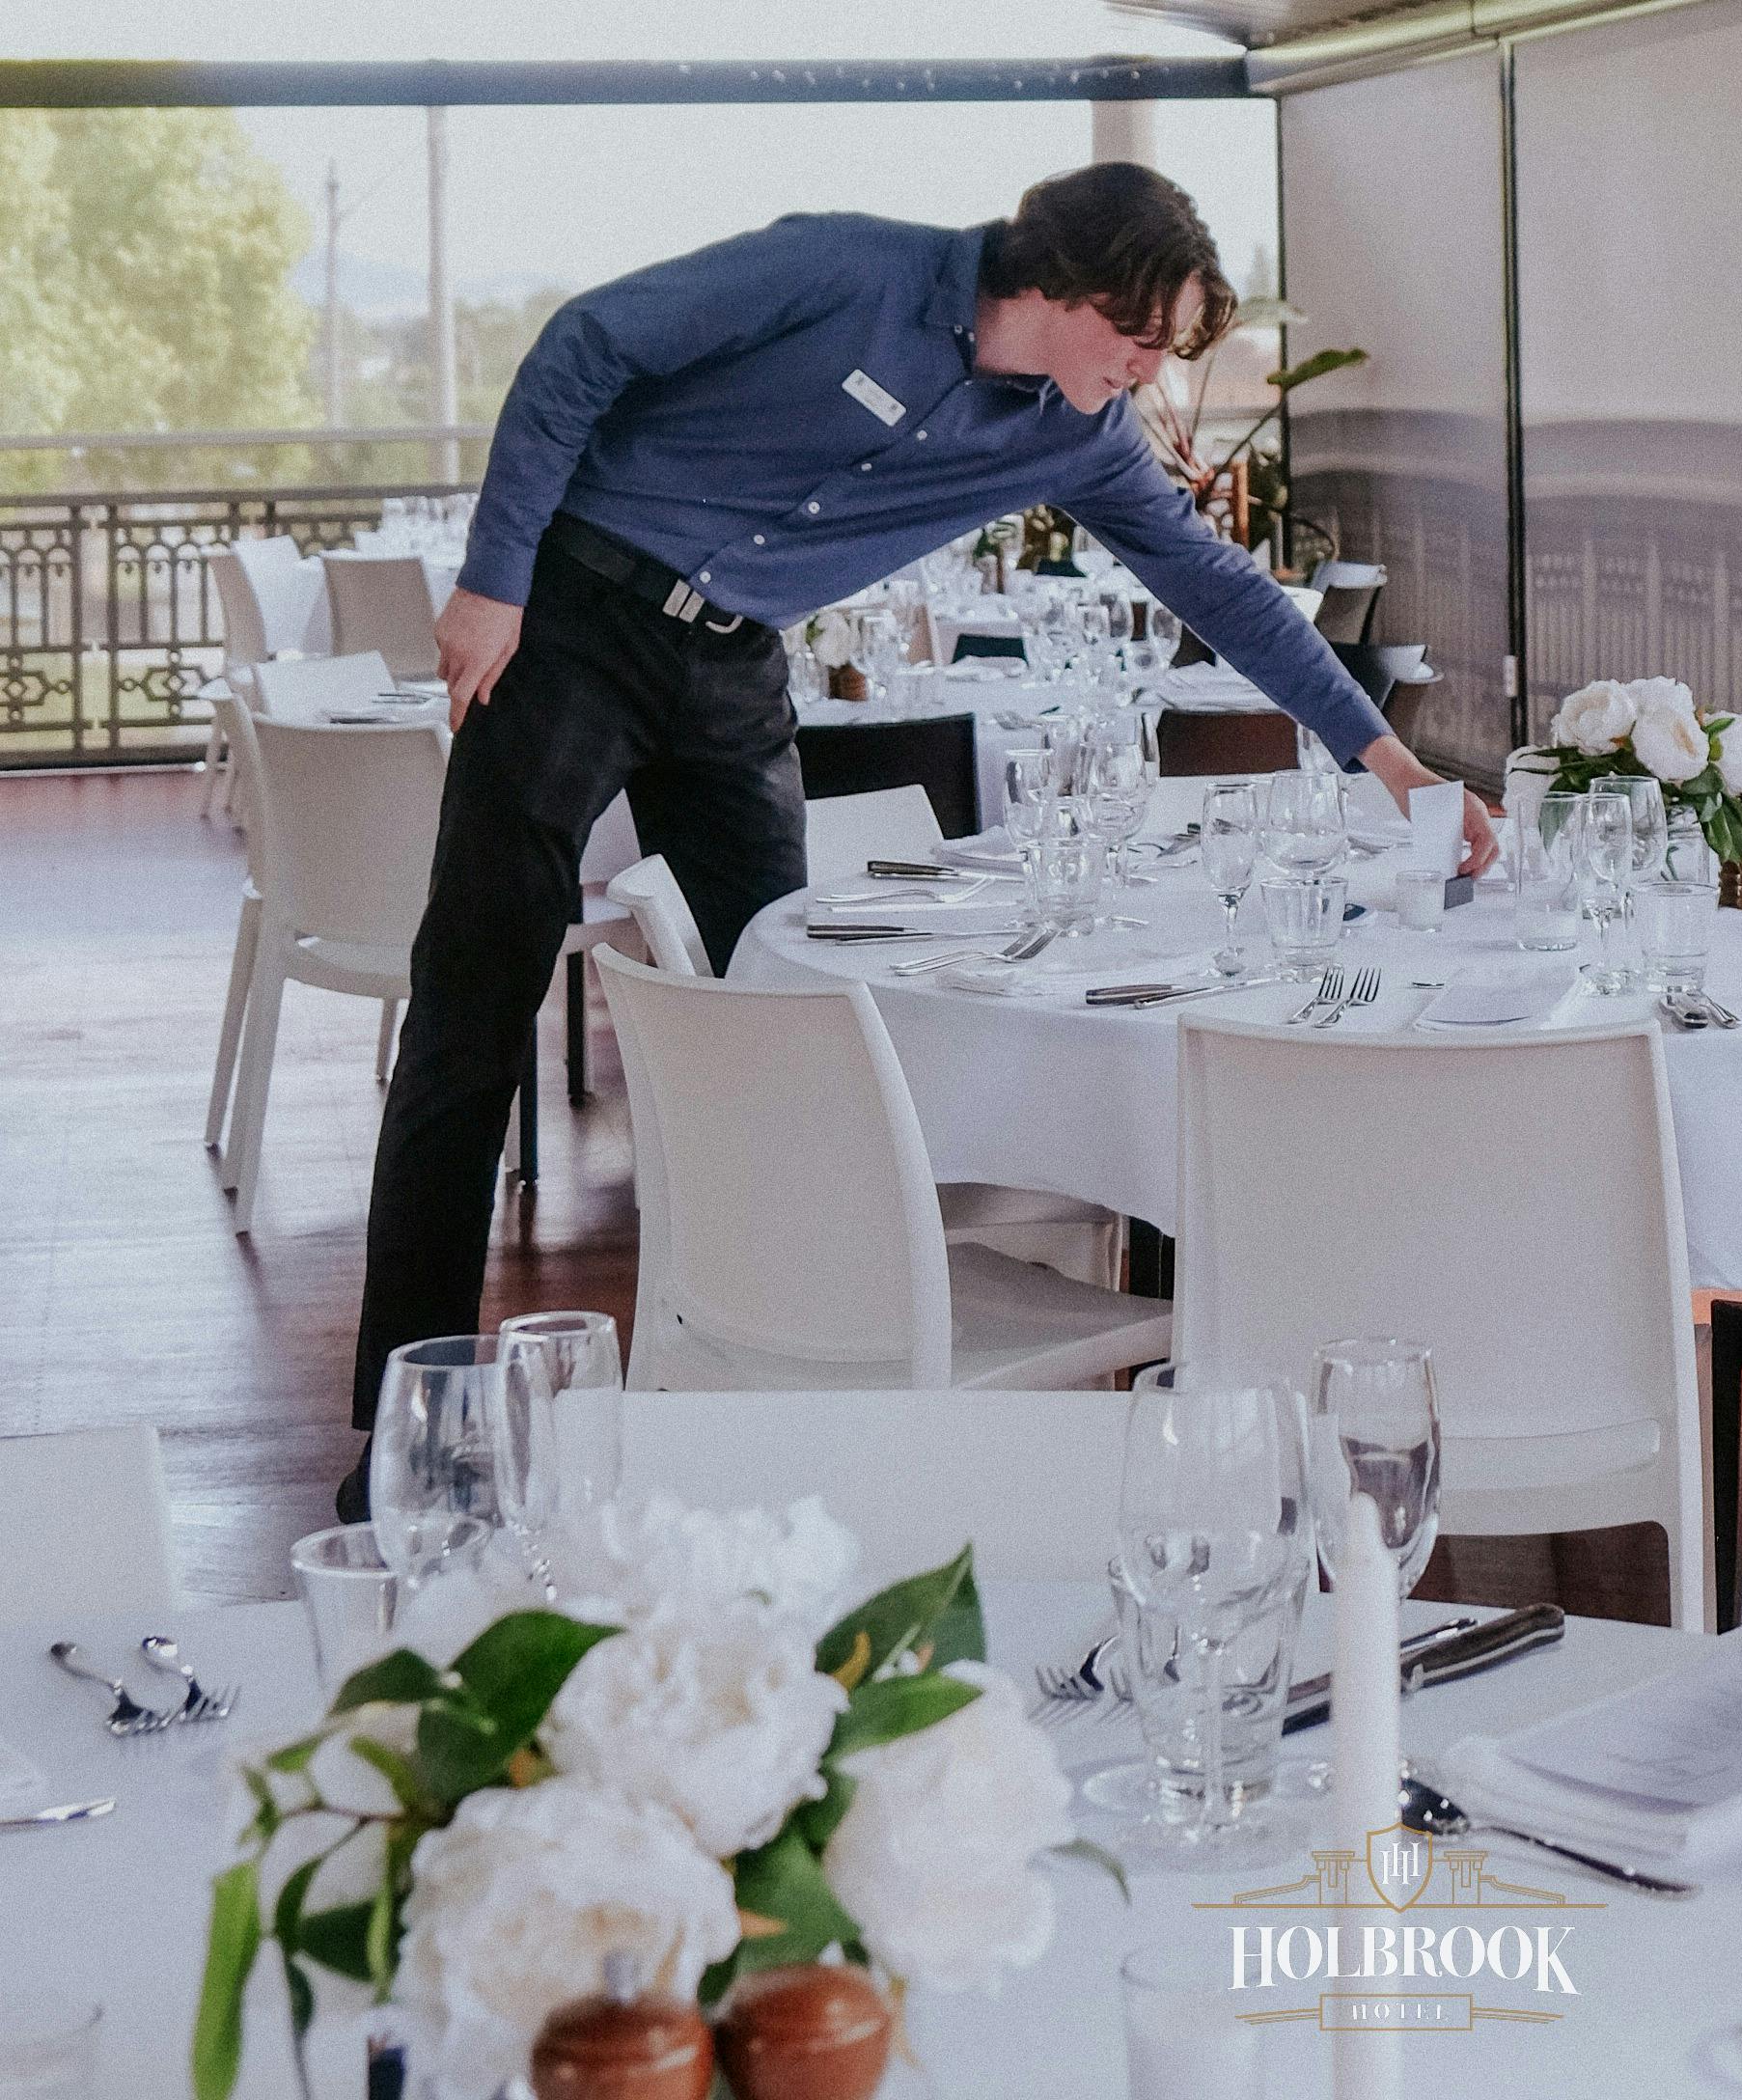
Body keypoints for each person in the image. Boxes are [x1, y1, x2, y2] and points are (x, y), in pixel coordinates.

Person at [344, 164, 1496, 1511]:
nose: (1145, 374)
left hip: (731, 672)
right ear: (1067, 285)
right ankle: (402, 1442)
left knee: (795, 1025)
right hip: (575, 622)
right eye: (1136, 340)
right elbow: (585, 343)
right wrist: (495, 578)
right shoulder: (845, 268)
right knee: (472, 1015)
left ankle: (777, 1394)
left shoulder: (1079, 435)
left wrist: (1390, 761)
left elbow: (1218, 587)